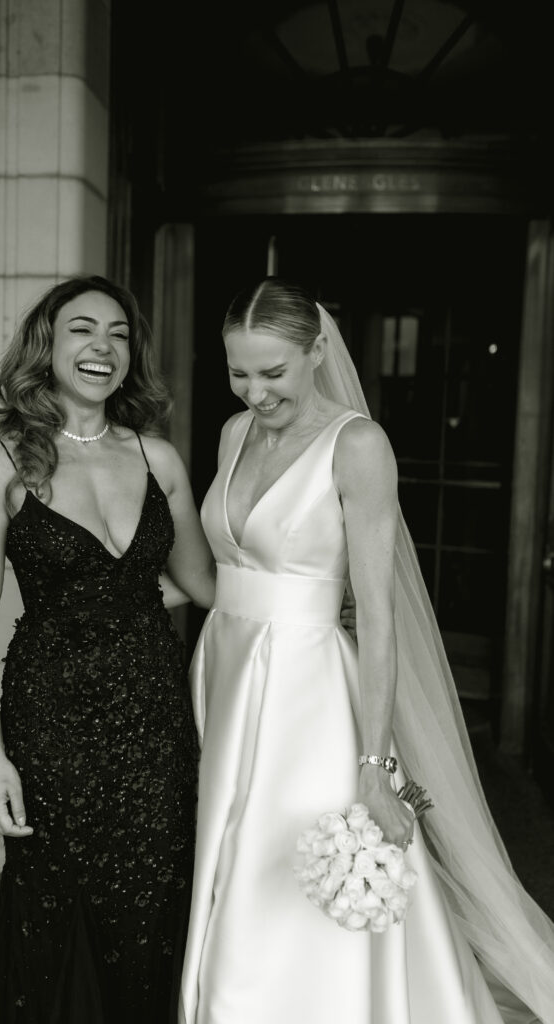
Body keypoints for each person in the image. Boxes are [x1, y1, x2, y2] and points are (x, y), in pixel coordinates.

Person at [179, 277, 554, 1024]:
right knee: (228, 854)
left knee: (288, 866)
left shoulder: (357, 445)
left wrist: (376, 768)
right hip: (225, 671)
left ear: (318, 350)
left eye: (273, 372)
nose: (255, 392)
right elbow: (228, 571)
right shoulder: (232, 433)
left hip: (307, 693)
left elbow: (378, 617)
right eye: (239, 372)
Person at [0, 274, 216, 1023]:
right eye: (83, 330)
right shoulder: (1, 461)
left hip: (155, 717)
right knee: (58, 900)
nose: (104, 346)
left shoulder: (159, 458)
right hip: (50, 718)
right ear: (48, 344)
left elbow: (201, 584)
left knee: (154, 897)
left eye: (120, 334)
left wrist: (315, 590)